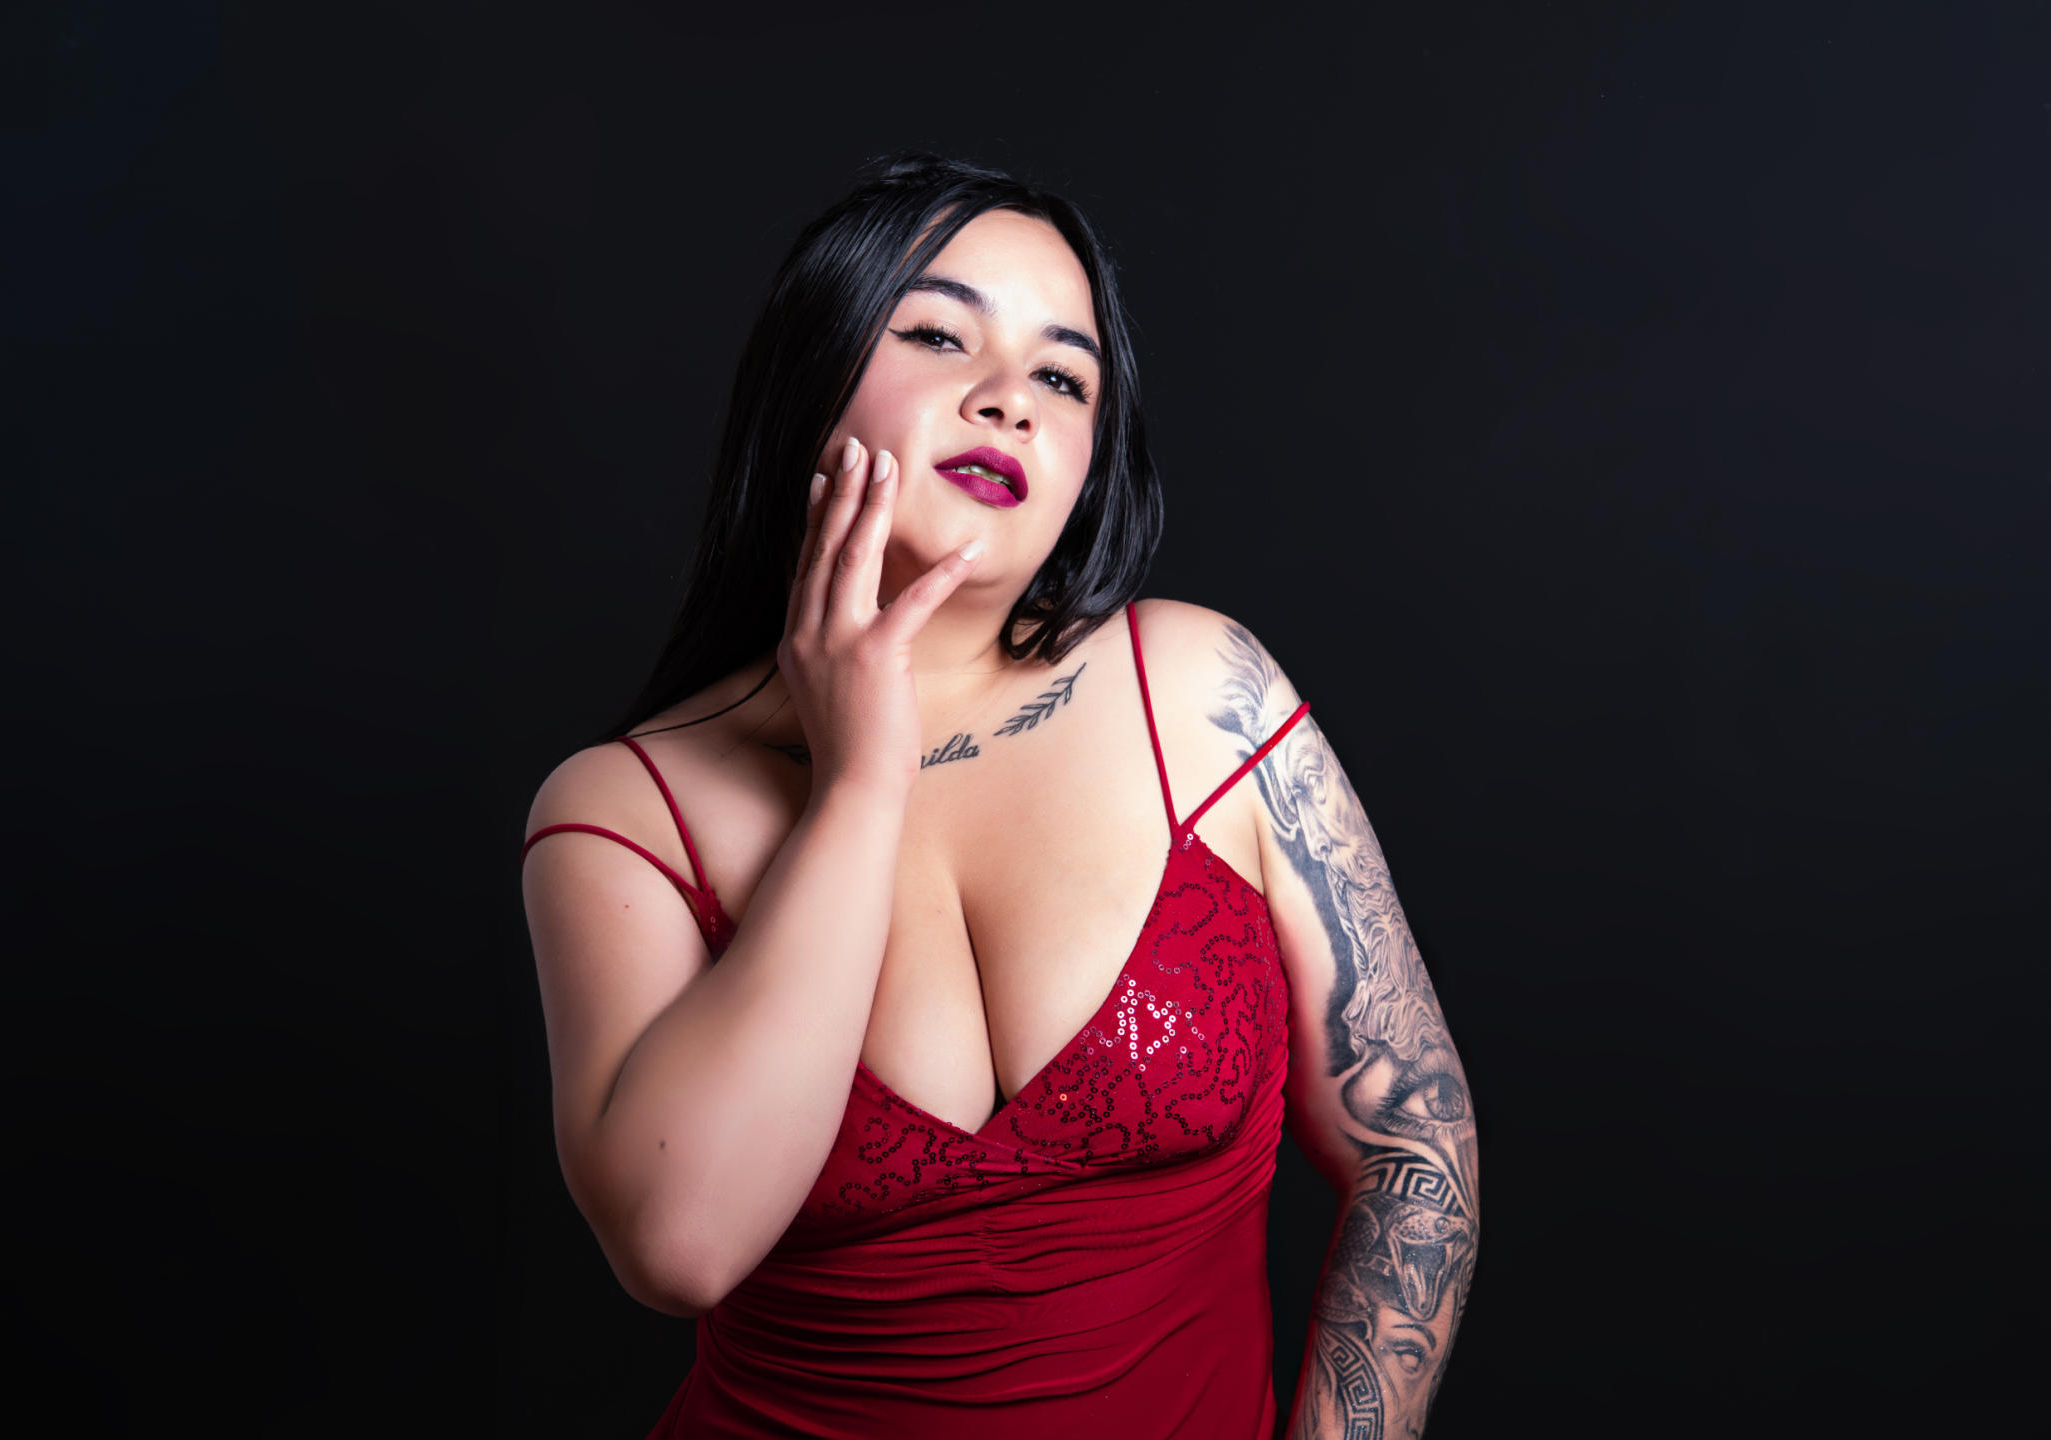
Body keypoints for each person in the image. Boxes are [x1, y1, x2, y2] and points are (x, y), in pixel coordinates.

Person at [518, 154, 1478, 1439]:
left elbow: (1417, 1148)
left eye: (1063, 378)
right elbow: (679, 1247)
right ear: (812, 371)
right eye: (937, 334)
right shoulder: (623, 815)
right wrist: (860, 781)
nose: (1009, 401)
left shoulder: (1204, 694)